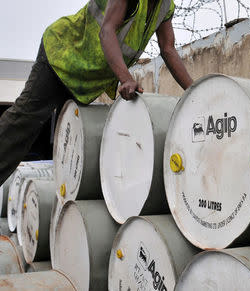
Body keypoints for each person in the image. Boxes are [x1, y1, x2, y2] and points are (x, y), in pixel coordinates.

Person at [0, 0, 193, 185]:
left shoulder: (165, 5)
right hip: (62, 54)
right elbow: (106, 31)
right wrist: (126, 78)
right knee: (25, 121)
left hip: (84, 77)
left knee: (69, 148)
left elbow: (167, 48)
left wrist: (194, 91)